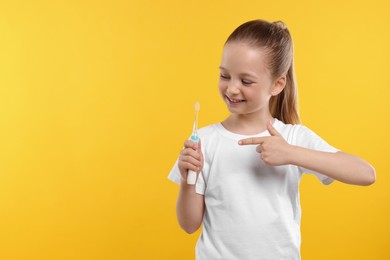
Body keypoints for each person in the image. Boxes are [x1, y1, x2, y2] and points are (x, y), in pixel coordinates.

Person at [167, 19, 376, 260]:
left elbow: (365, 174)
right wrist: (187, 180)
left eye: (246, 81)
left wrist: (291, 154)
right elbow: (189, 225)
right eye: (225, 76)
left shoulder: (292, 138)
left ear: (277, 84)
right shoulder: (203, 141)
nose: (232, 89)